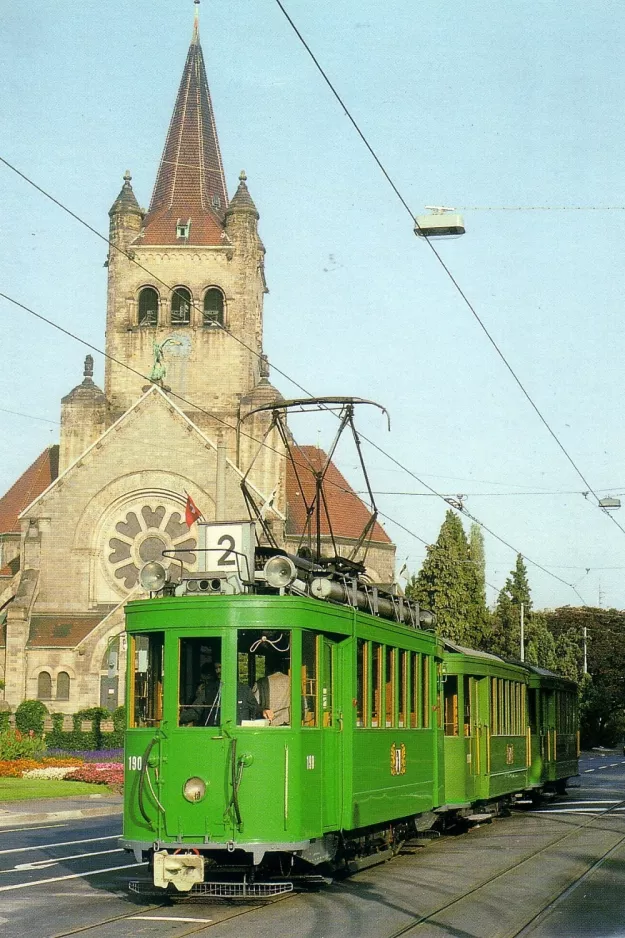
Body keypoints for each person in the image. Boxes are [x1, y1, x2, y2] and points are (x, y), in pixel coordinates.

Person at [253, 660, 291, 726]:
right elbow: (303, 705)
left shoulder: (262, 682)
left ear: (267, 668)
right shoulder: (292, 681)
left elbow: (254, 704)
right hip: (290, 723)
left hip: (270, 724)